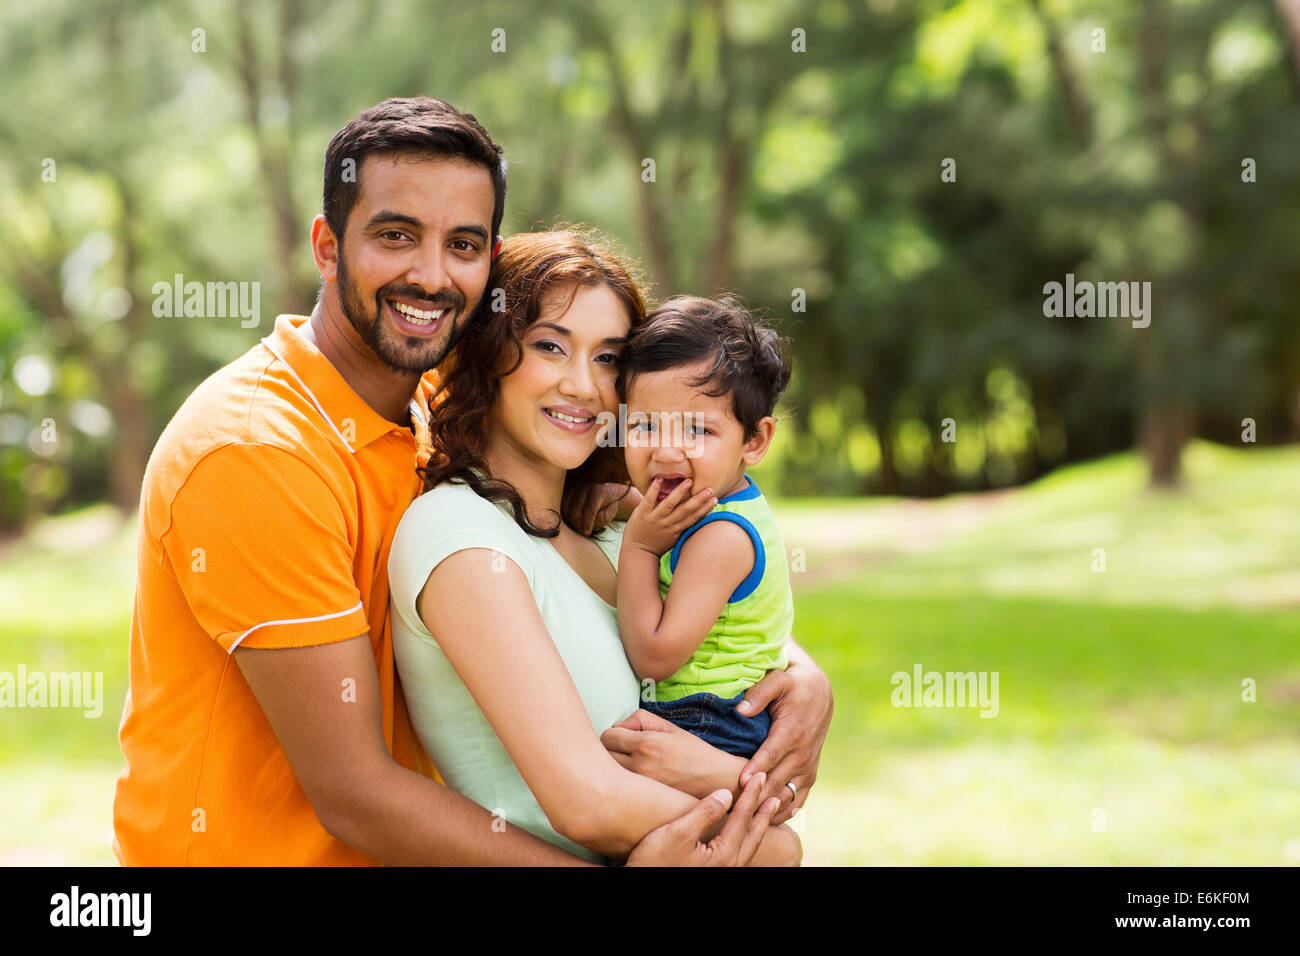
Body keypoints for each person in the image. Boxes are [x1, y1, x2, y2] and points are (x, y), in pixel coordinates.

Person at [112, 96, 790, 866]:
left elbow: (698, 586)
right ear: (328, 247)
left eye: (463, 244)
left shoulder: (442, 417)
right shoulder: (253, 452)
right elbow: (354, 793)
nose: (431, 274)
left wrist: (800, 682)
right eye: (396, 235)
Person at [390, 229, 801, 863]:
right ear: (491, 356)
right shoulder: (461, 537)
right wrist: (766, 825)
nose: (584, 386)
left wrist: (805, 679)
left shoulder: (613, 525)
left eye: (609, 358)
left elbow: (731, 626)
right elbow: (589, 803)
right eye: (551, 347)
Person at [615, 296, 794, 761]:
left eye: (697, 431)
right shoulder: (715, 502)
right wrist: (623, 503)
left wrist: (638, 548)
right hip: (714, 718)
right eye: (645, 425)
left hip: (709, 723)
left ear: (754, 441)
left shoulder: (722, 538)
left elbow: (654, 657)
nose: (667, 451)